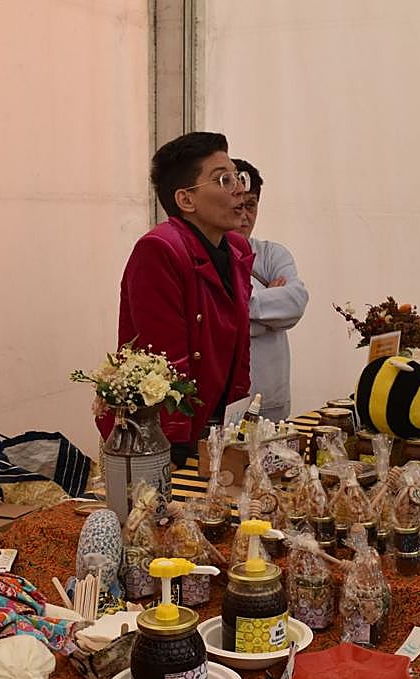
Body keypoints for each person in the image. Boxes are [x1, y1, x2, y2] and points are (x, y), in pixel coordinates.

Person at [99, 132, 254, 466]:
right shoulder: (160, 249)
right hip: (161, 430)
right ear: (186, 200)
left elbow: (241, 345)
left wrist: (236, 424)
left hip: (216, 422)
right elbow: (166, 357)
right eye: (223, 180)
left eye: (237, 176)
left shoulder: (238, 249)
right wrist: (177, 444)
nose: (240, 189)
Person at [233, 159, 309, 421]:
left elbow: (296, 302)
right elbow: (212, 321)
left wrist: (237, 309)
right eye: (237, 205)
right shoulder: (199, 257)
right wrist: (269, 318)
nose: (244, 214)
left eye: (251, 205)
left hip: (270, 400)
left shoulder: (272, 254)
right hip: (223, 404)